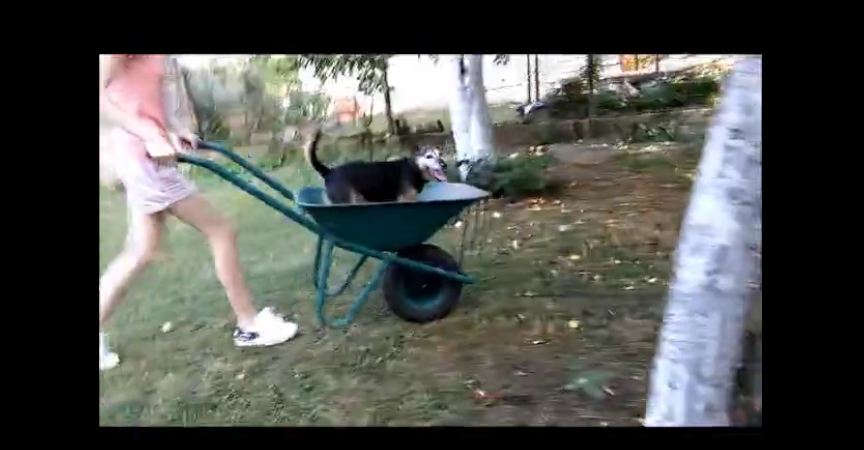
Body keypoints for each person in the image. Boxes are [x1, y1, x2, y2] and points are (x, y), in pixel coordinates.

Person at [99, 54, 298, 371]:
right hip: (144, 158)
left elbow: (145, 98)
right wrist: (149, 133)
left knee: (142, 251)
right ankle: (249, 324)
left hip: (150, 155)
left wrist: (174, 129)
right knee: (221, 230)